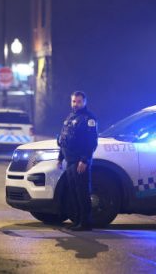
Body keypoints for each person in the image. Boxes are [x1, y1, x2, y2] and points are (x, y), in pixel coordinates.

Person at [57, 90, 98, 231]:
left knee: (82, 192)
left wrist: (84, 160)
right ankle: (78, 221)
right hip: (69, 161)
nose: (76, 104)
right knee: (74, 192)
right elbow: (64, 139)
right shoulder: (70, 117)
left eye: (79, 101)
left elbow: (91, 142)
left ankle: (85, 222)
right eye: (74, 101)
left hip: (80, 162)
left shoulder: (88, 118)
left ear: (84, 102)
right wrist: (60, 157)